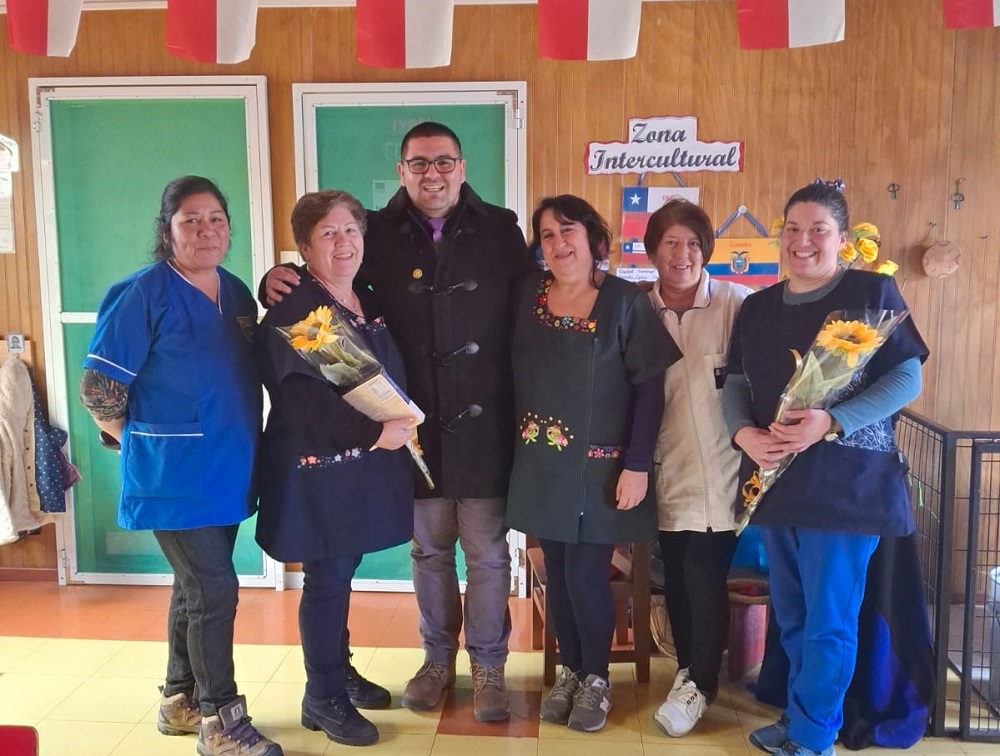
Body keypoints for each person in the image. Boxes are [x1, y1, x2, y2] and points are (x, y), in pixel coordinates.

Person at [263, 122, 536, 721]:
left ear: (462, 168)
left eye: (444, 162)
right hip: (410, 429)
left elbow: (533, 305)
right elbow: (325, 296)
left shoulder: (502, 229)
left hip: (485, 423)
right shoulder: (376, 233)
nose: (432, 174)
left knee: (489, 555)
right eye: (418, 163)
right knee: (430, 552)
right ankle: (437, 661)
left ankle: (488, 667)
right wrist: (277, 281)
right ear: (403, 170)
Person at [722, 181, 929, 756]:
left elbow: (906, 379)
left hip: (846, 488)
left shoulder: (871, 292)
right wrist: (743, 434)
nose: (802, 241)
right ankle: (798, 716)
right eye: (792, 228)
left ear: (842, 238)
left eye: (818, 229)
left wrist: (830, 422)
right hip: (776, 483)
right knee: (792, 613)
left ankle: (813, 735)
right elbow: (735, 384)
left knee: (830, 618)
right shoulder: (757, 308)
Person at [79, 176, 282, 756]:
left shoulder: (237, 292)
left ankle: (180, 697)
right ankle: (222, 720)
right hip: (173, 475)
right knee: (215, 589)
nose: (205, 230)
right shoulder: (142, 292)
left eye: (216, 218)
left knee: (194, 586)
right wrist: (141, 441)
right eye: (190, 220)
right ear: (166, 230)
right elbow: (98, 388)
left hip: (227, 466)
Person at [506, 195, 680, 733]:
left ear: (594, 241)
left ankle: (597, 679)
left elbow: (651, 391)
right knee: (555, 576)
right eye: (548, 235)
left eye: (568, 231)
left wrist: (636, 466)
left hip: (604, 470)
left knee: (586, 576)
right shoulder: (528, 295)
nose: (559, 243)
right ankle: (571, 673)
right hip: (541, 464)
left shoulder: (626, 302)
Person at [255, 190, 415, 747]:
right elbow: (311, 401)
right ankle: (321, 696)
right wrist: (378, 433)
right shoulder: (302, 310)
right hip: (317, 467)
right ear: (304, 248)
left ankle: (337, 672)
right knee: (326, 580)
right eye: (328, 233)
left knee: (340, 573)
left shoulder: (360, 298)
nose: (343, 242)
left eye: (351, 230)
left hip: (351, 466)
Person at [642, 200, 752, 737]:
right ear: (653, 250)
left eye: (691, 243)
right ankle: (688, 672)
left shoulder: (736, 304)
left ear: (705, 249)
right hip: (666, 470)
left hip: (726, 471)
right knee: (677, 577)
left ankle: (700, 684)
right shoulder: (640, 310)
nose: (681, 254)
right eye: (669, 243)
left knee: (705, 573)